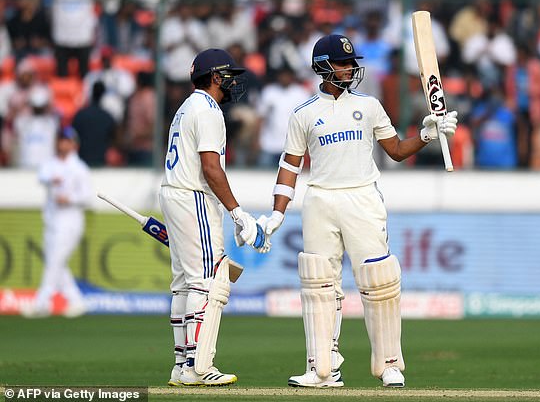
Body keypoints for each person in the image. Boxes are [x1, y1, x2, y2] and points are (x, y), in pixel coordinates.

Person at [259, 34, 458, 388]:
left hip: (362, 196)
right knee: (319, 283)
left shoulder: (368, 105)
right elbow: (289, 167)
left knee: (379, 280)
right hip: (320, 199)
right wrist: (277, 213)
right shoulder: (303, 114)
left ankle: (390, 364)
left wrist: (427, 135)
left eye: (352, 63)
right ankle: (322, 368)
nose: (351, 68)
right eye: (343, 63)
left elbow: (395, 150)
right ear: (323, 66)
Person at [159, 48, 267, 387]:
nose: (234, 81)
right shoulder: (207, 109)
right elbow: (211, 168)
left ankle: (182, 364)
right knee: (208, 281)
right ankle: (199, 365)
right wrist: (238, 214)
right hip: (194, 196)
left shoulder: (186, 107)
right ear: (216, 76)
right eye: (229, 75)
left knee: (184, 282)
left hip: (175, 192)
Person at [22, 126, 92, 318]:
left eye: (67, 140)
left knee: (54, 262)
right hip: (52, 220)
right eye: (60, 140)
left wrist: (69, 199)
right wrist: (53, 179)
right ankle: (76, 300)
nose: (62, 144)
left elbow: (87, 196)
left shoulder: (79, 168)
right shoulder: (51, 164)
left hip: (70, 221)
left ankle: (41, 303)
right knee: (56, 262)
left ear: (74, 144)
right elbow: (42, 176)